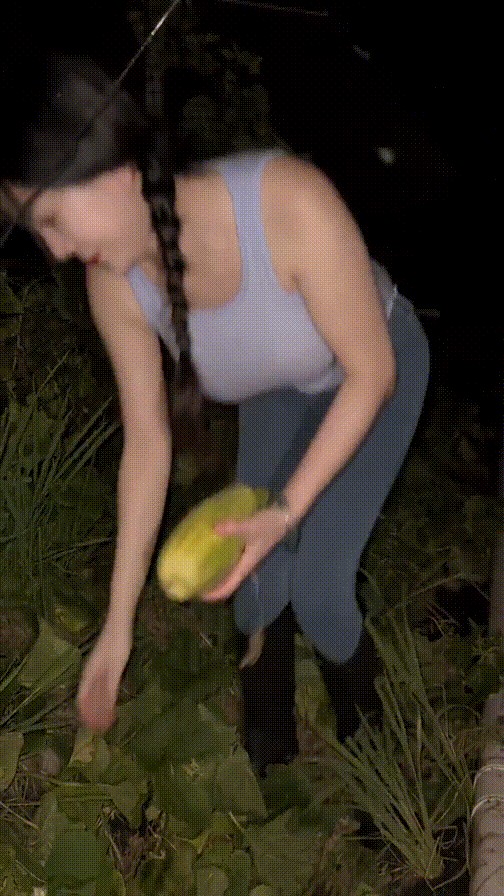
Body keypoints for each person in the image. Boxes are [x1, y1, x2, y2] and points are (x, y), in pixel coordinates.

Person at [0, 53, 429, 776]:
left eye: (51, 219)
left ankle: (379, 767)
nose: (59, 251)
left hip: (374, 371)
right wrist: (116, 629)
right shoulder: (116, 284)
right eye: (39, 234)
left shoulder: (286, 203)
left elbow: (373, 373)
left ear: (112, 168)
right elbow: (147, 444)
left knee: (319, 589)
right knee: (255, 585)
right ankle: (272, 764)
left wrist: (285, 511)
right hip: (278, 391)